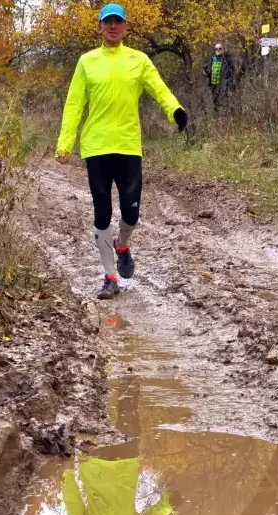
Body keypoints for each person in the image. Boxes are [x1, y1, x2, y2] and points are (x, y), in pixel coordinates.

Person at [56, 3, 189, 300]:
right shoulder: (86, 62)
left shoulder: (138, 60)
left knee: (131, 212)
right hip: (97, 146)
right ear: (100, 27)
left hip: (128, 145)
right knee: (102, 213)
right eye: (107, 22)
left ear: (125, 27)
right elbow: (74, 104)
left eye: (118, 22)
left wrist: (175, 111)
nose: (113, 26)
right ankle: (110, 276)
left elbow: (159, 88)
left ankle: (123, 245)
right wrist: (65, 142)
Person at [204, 43, 236, 110]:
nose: (218, 50)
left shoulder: (227, 59)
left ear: (223, 49)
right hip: (213, 84)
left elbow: (232, 71)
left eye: (220, 48)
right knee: (215, 102)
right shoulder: (212, 59)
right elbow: (210, 72)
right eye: (216, 49)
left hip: (223, 84)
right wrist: (206, 72)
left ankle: (226, 116)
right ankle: (217, 116)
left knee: (225, 102)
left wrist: (229, 82)